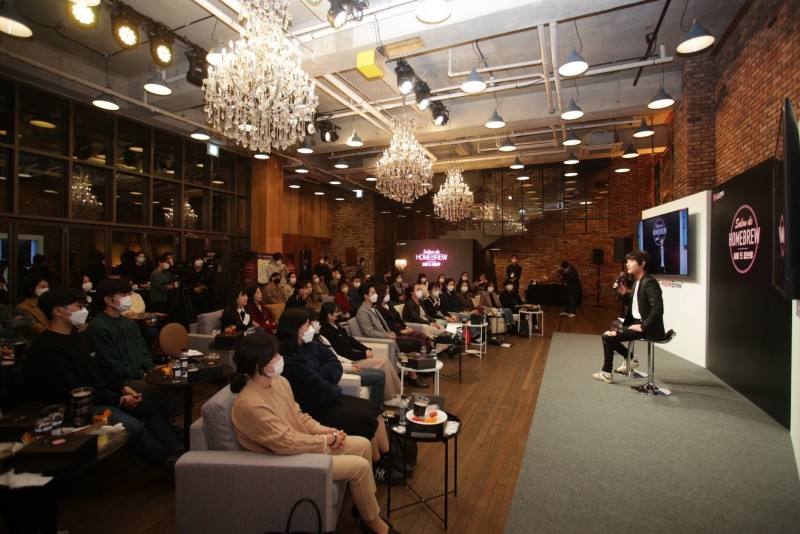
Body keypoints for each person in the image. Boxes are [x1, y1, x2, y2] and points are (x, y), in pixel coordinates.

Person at [229, 334, 400, 534]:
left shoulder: (279, 382)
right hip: (284, 459)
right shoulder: (250, 404)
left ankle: (363, 509)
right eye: (274, 356)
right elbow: (285, 442)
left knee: (363, 445)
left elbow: (298, 415)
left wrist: (323, 430)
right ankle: (373, 523)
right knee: (360, 467)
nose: (280, 358)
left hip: (302, 446)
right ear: (260, 365)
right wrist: (325, 440)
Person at [24, 286, 184, 470]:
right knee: (132, 426)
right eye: (79, 306)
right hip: (77, 407)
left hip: (103, 395)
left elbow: (101, 369)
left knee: (148, 405)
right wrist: (119, 400)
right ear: (58, 311)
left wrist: (122, 388)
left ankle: (178, 451)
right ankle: (169, 463)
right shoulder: (47, 347)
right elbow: (73, 389)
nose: (84, 310)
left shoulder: (78, 337)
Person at [276, 308, 402, 485]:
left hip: (330, 398)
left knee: (375, 410)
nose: (311, 327)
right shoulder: (289, 358)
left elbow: (333, 361)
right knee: (366, 419)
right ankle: (377, 466)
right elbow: (318, 387)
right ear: (294, 329)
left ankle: (387, 458)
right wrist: (327, 378)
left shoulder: (310, 345)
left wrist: (321, 374)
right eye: (306, 325)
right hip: (314, 408)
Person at [84, 279, 176, 416]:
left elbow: (143, 350)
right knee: (162, 391)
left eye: (128, 294)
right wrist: (142, 375)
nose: (128, 298)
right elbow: (112, 364)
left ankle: (170, 420)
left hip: (140, 372)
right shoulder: (98, 327)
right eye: (123, 295)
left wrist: (150, 370)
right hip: (122, 379)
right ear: (108, 299)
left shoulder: (130, 323)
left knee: (175, 381)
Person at [593, 250, 665, 384]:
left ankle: (609, 371)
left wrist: (643, 326)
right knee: (611, 330)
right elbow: (636, 307)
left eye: (631, 261)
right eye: (627, 261)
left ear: (642, 263)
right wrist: (623, 293)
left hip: (649, 327)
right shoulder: (638, 282)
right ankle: (628, 359)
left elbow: (658, 308)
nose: (627, 264)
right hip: (638, 322)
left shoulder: (649, 282)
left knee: (607, 336)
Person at [318, 302, 397, 405]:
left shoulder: (337, 327)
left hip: (353, 356)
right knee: (383, 363)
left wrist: (366, 349)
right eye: (337, 312)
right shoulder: (326, 331)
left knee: (385, 359)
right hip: (350, 360)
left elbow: (351, 341)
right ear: (329, 315)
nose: (340, 314)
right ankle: (389, 397)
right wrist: (363, 354)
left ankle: (395, 393)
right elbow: (342, 352)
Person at [355, 284, 428, 388]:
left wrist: (389, 332)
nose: (376, 295)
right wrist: (387, 336)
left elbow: (383, 324)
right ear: (366, 296)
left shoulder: (373, 308)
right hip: (380, 340)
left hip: (387, 335)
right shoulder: (362, 312)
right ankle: (413, 377)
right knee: (408, 345)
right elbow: (369, 332)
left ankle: (413, 371)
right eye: (373, 293)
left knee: (416, 343)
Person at [373, 284, 431, 352]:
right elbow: (386, 323)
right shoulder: (377, 309)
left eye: (388, 293)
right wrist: (400, 331)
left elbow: (399, 318)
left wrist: (405, 327)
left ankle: (428, 354)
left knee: (423, 336)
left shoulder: (389, 305)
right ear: (381, 294)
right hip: (394, 332)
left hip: (401, 329)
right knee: (417, 342)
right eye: (386, 293)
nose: (388, 295)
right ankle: (420, 356)